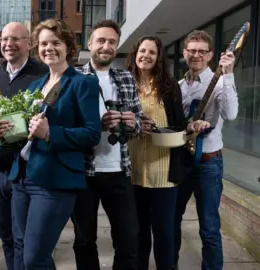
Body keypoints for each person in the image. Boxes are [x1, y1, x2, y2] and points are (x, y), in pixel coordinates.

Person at [9, 19, 101, 270]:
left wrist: (51, 133)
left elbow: (92, 134)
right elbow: (25, 130)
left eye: (56, 43)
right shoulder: (35, 85)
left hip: (54, 181)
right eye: (44, 43)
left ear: (68, 47)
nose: (49, 48)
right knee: (21, 250)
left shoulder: (83, 83)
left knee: (35, 258)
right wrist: (5, 130)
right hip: (23, 177)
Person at [125, 35, 209, 270]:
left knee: (163, 229)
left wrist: (190, 127)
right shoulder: (125, 83)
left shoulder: (169, 87)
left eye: (152, 52)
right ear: (135, 53)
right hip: (133, 169)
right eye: (143, 50)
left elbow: (179, 124)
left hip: (163, 170)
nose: (146, 56)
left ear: (159, 57)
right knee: (138, 230)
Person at [0, 22, 48, 270]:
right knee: (5, 236)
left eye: (16, 39)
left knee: (25, 240)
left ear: (29, 43)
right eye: (5, 39)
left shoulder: (42, 74)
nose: (9, 44)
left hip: (26, 172)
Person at [71, 19, 141, 270]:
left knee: (129, 239)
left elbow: (140, 121)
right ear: (89, 43)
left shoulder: (126, 78)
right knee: (84, 240)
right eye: (100, 40)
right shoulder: (74, 77)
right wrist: (94, 125)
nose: (106, 46)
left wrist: (134, 124)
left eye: (112, 42)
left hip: (119, 171)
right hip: (83, 172)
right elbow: (64, 122)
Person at [173, 30, 238, 270]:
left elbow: (230, 114)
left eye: (202, 51)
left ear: (211, 55)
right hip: (181, 161)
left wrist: (229, 75)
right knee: (172, 220)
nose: (196, 55)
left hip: (208, 163)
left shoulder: (220, 82)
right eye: (192, 50)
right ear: (184, 53)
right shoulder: (178, 86)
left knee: (209, 226)